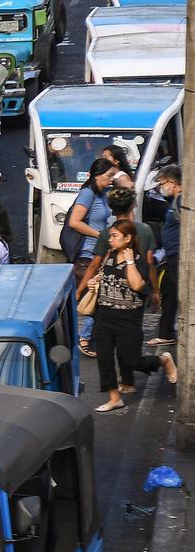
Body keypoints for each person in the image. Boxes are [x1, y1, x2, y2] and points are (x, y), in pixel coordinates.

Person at [88, 220, 176, 412]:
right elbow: (103, 276)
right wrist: (94, 281)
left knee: (133, 361)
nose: (110, 240)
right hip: (104, 316)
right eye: (110, 235)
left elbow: (137, 285)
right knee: (104, 358)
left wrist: (129, 261)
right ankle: (114, 398)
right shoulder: (109, 256)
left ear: (128, 238)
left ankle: (163, 360)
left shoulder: (138, 260)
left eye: (114, 236)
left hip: (128, 319)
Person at [78, 189, 158, 378]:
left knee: (116, 339)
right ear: (133, 206)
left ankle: (127, 380)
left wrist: (80, 289)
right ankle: (127, 381)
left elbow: (94, 265)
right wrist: (155, 290)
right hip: (138, 293)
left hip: (112, 293)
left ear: (112, 209)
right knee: (129, 338)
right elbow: (150, 263)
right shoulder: (145, 230)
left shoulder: (108, 233)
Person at [68, 158, 115, 358]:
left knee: (99, 298)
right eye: (109, 176)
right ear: (97, 176)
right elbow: (74, 222)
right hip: (87, 256)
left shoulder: (102, 194)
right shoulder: (87, 194)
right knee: (97, 298)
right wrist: (100, 235)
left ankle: (86, 336)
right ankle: (84, 337)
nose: (112, 179)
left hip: (99, 253)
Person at [151, 164, 181, 347]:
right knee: (169, 294)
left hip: (179, 256)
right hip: (171, 255)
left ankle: (168, 332)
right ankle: (166, 333)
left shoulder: (181, 201)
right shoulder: (175, 201)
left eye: (162, 183)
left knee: (175, 294)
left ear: (172, 182)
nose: (161, 187)